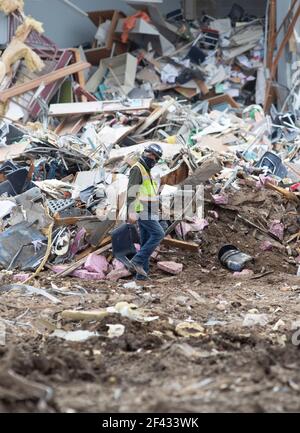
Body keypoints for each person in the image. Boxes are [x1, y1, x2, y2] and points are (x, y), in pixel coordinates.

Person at [126, 144, 165, 280]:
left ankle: (141, 277)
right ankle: (136, 261)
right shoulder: (137, 169)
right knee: (159, 233)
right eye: (150, 155)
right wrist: (131, 212)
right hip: (141, 209)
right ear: (145, 153)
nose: (152, 158)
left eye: (155, 157)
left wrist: (158, 206)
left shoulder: (146, 170)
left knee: (145, 241)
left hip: (150, 209)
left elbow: (149, 192)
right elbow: (132, 191)